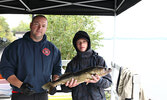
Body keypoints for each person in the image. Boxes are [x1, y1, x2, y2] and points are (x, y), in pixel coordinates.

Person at [0, 15, 62, 100]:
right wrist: (20, 85)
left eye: (43, 26)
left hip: (42, 95)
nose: (40, 28)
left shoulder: (52, 49)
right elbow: (5, 69)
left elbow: (57, 69)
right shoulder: (15, 47)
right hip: (20, 94)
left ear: (46, 28)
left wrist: (54, 84)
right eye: (37, 24)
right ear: (31, 25)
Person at [61, 31, 112, 100]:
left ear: (88, 43)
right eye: (79, 42)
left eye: (84, 41)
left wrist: (98, 81)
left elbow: (108, 83)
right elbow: (64, 88)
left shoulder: (99, 60)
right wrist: (69, 86)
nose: (82, 44)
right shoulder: (72, 64)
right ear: (75, 44)